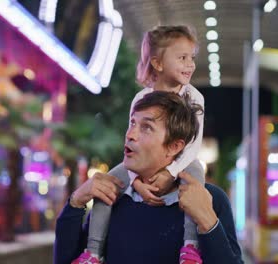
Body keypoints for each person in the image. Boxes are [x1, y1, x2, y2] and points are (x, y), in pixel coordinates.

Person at [54, 91, 243, 264]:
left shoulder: (210, 199)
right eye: (133, 123)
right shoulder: (112, 198)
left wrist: (208, 221)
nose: (130, 134)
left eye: (146, 127)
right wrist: (76, 202)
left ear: (174, 147)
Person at [72, 25, 206, 264]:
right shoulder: (140, 98)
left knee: (197, 176)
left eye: (192, 58)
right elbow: (133, 142)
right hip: (142, 165)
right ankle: (93, 252)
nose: (190, 64)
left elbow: (193, 146)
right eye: (182, 58)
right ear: (158, 63)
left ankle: (190, 247)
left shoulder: (195, 98)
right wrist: (135, 181)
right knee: (105, 184)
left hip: (181, 162)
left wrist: (170, 172)